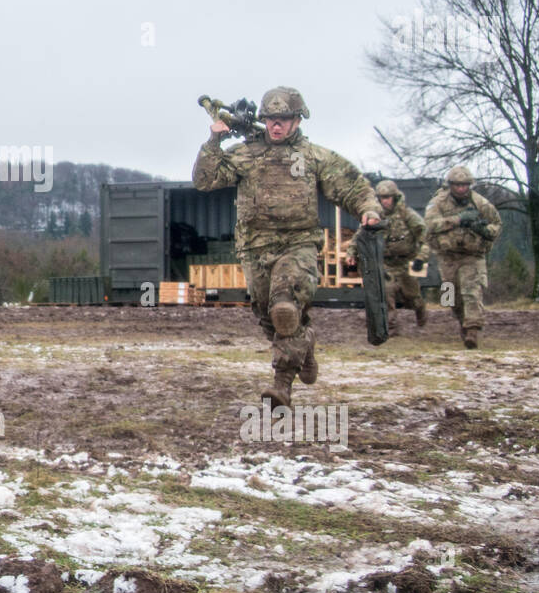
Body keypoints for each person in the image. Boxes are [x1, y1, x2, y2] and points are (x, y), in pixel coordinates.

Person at [194, 87, 381, 408]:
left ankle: (282, 386)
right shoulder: (245, 154)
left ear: (297, 120)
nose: (276, 126)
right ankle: (304, 346)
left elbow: (350, 183)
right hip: (254, 247)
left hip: (299, 245)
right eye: (270, 119)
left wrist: (369, 209)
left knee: (284, 308)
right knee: (269, 317)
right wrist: (214, 141)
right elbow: (204, 180)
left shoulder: (312, 156)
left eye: (283, 119)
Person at [424, 166, 501, 349]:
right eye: (457, 185)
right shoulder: (438, 203)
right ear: (450, 185)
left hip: (472, 256)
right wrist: (457, 220)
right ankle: (462, 321)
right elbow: (429, 226)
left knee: (471, 292)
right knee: (450, 297)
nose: (461, 189)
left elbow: (496, 224)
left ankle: (473, 329)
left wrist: (481, 229)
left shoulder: (480, 203)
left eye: (465, 185)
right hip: (447, 257)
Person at [346, 179, 429, 334]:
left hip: (405, 262)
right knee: (385, 291)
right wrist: (351, 253)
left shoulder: (408, 215)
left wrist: (421, 258)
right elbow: (359, 237)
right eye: (382, 198)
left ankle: (420, 309)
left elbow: (425, 237)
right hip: (385, 263)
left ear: (395, 197)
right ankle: (390, 326)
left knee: (412, 297)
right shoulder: (374, 217)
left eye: (388, 197)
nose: (385, 201)